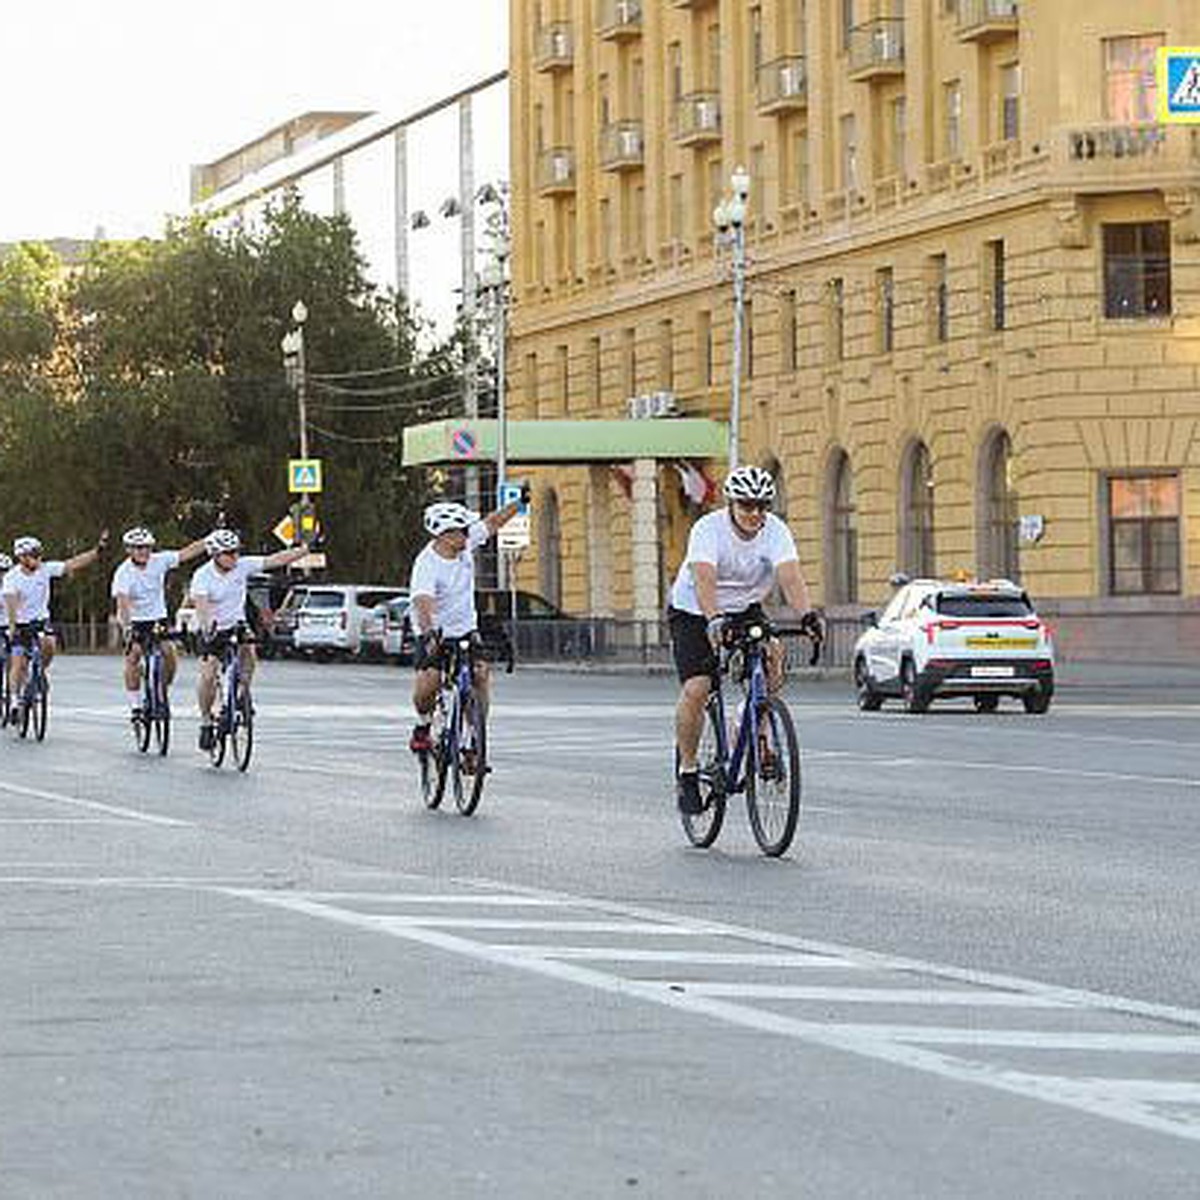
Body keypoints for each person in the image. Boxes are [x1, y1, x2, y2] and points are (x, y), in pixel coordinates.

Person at [667, 465, 819, 815]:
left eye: (762, 506)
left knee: (773, 655)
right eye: (747, 506)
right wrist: (714, 621)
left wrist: (808, 615)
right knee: (698, 687)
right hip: (694, 609)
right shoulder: (708, 529)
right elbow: (704, 578)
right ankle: (688, 770)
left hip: (745, 608)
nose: (755, 514)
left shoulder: (776, 531)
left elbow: (790, 576)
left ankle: (754, 720)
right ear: (731, 504)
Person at [408, 492, 527, 753]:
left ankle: (475, 736)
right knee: (431, 679)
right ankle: (423, 725)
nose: (467, 534)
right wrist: (429, 634)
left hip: (465, 628)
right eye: (462, 531)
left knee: (480, 673)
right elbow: (423, 602)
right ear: (445, 535)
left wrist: (519, 504)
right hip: (434, 630)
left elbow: (493, 522)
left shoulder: (464, 543)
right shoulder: (426, 564)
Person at [189, 529, 309, 751]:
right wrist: (208, 629)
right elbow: (202, 607)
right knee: (207, 676)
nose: (234, 557)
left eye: (236, 552)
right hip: (212, 628)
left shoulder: (242, 566)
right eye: (229, 553)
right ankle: (206, 722)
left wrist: (303, 550)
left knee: (250, 653)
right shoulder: (202, 576)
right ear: (215, 555)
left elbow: (275, 559)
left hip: (237, 623)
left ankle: (242, 695)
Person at [3, 533, 108, 721]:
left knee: (49, 643)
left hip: (41, 621)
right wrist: (12, 627)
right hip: (20, 623)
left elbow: (73, 563)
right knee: (17, 661)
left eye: (38, 554)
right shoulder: (12, 577)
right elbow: (11, 603)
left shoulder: (45, 569)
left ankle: (39, 671)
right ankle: (13, 701)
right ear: (21, 557)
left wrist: (97, 551)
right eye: (33, 555)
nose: (38, 558)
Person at [110, 527, 207, 724]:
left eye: (146, 547)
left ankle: (162, 691)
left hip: (157, 619)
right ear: (129, 550)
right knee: (133, 657)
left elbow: (187, 552)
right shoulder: (123, 573)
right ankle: (136, 706)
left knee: (169, 653)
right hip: (134, 620)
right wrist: (128, 629)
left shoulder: (159, 560)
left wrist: (210, 540)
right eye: (138, 548)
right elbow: (123, 602)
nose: (143, 551)